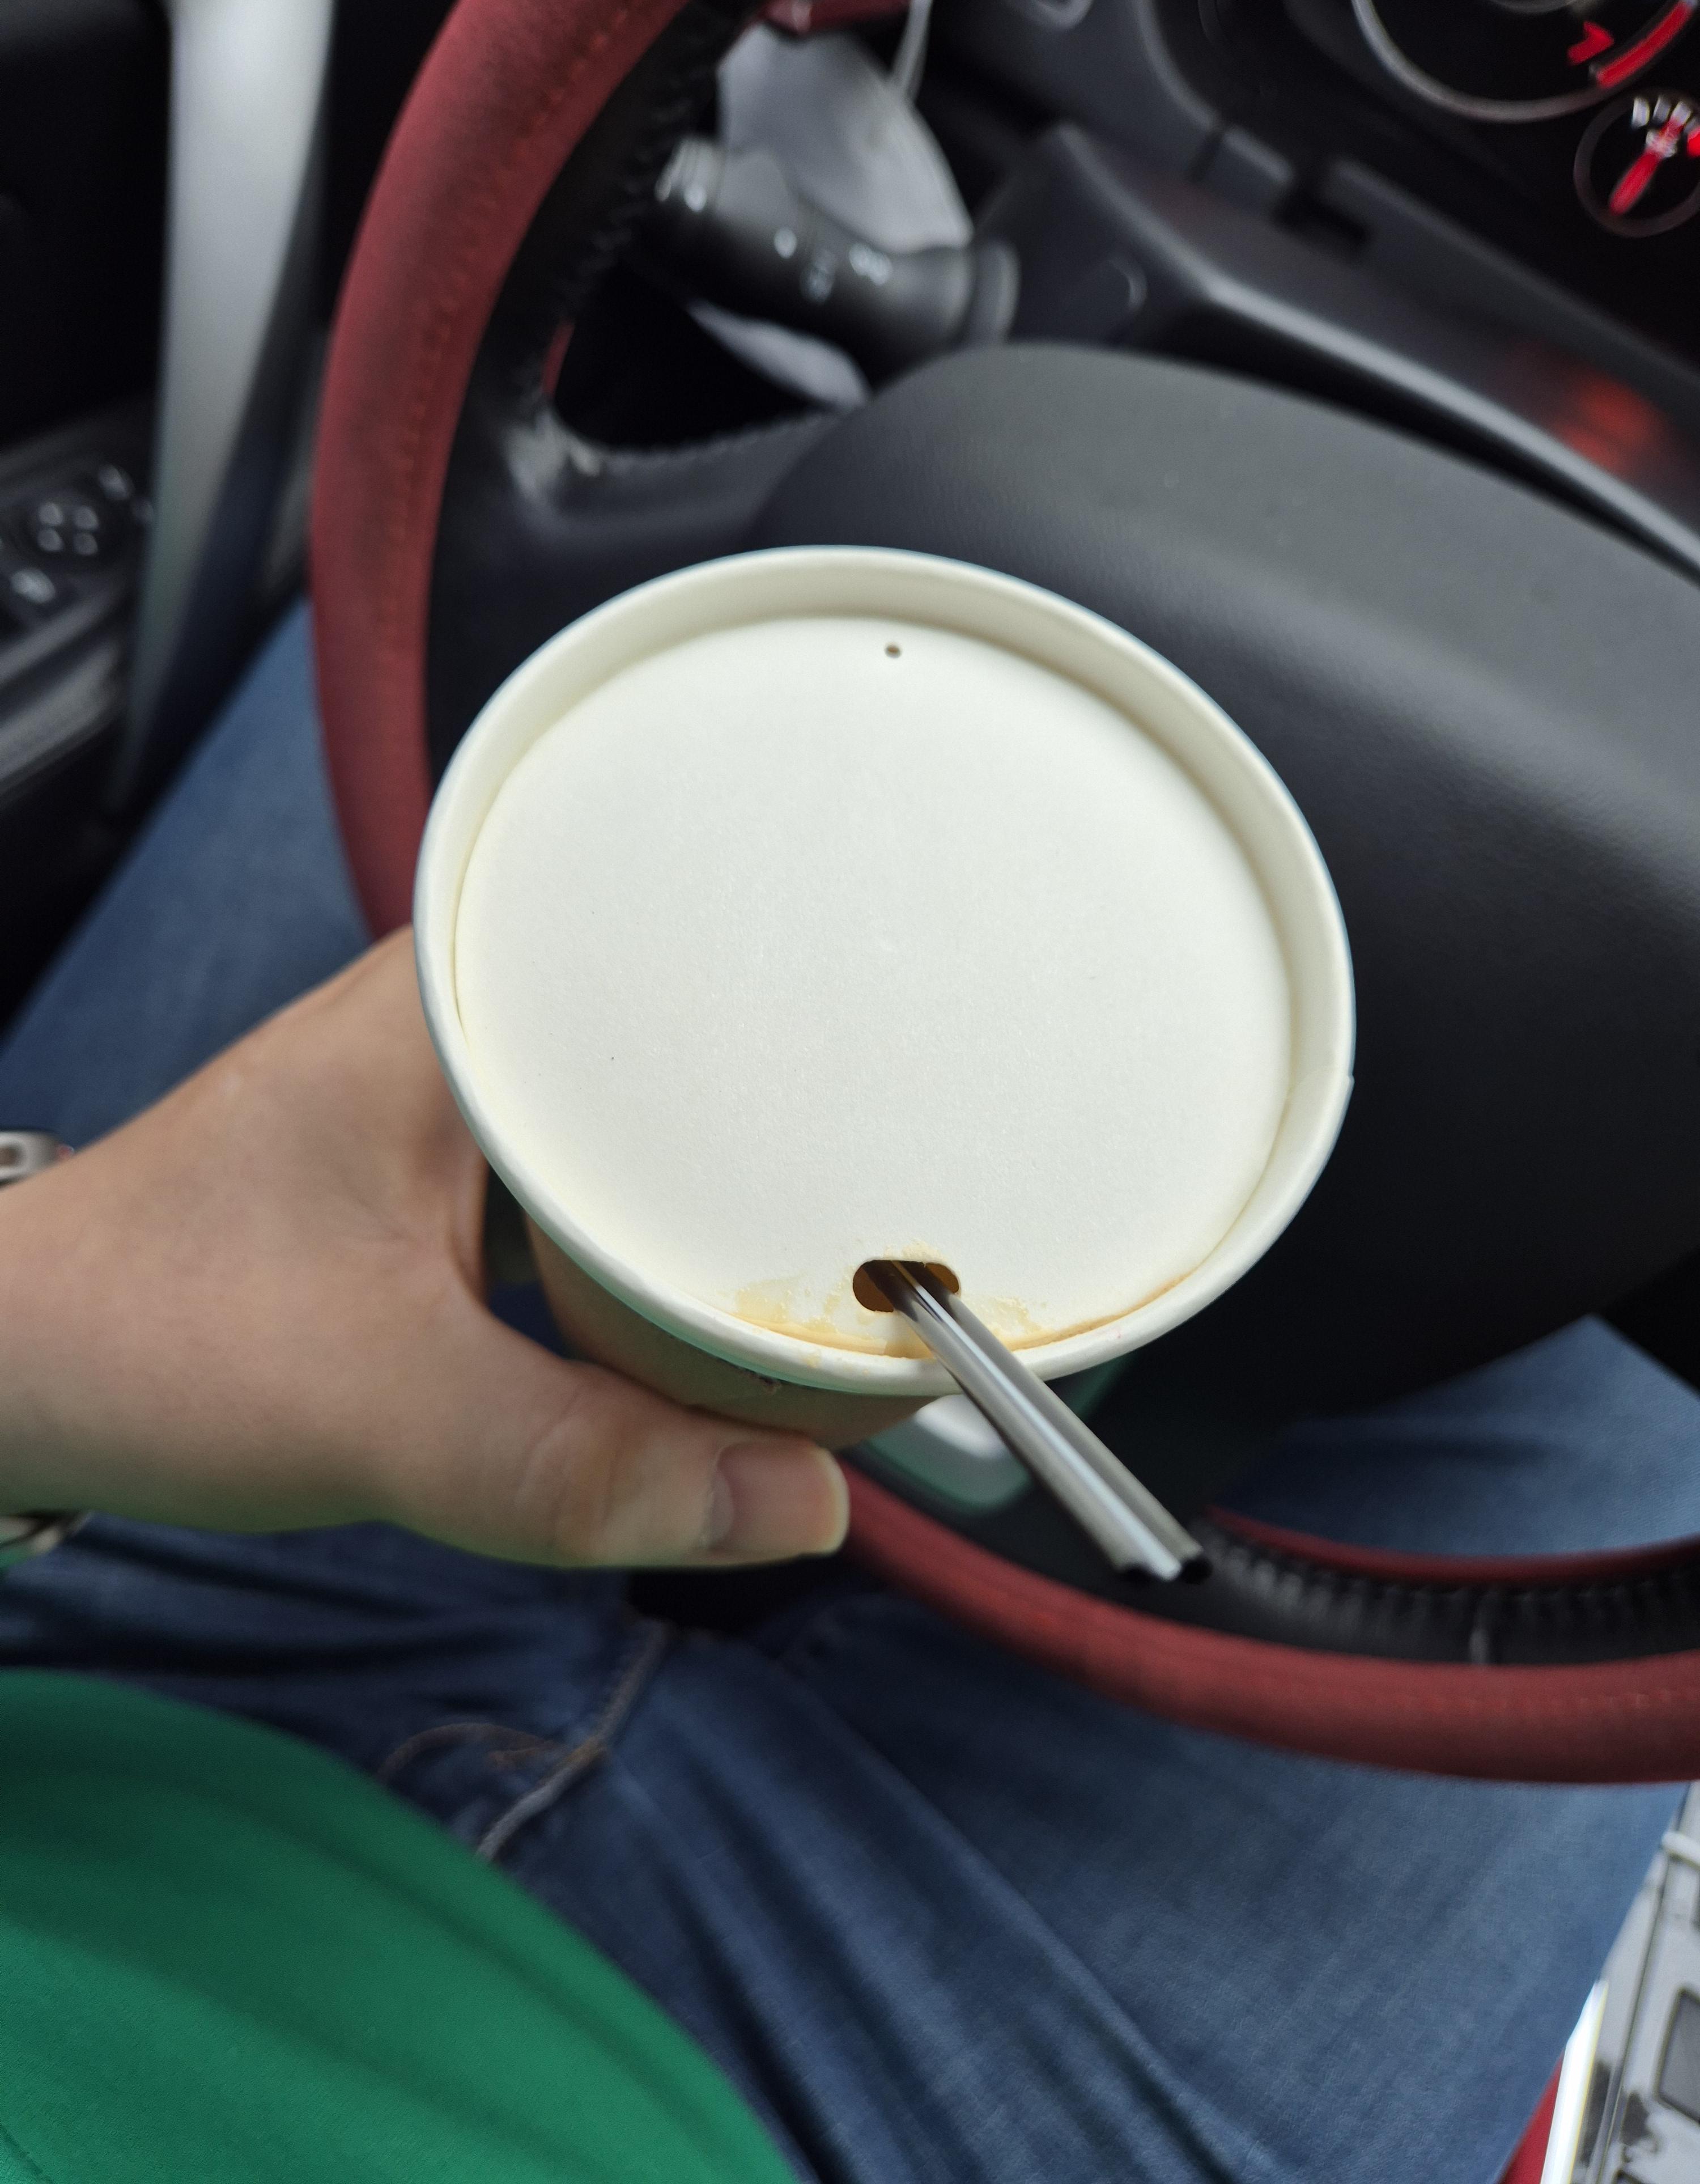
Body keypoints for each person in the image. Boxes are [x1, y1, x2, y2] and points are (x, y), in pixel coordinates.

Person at [0, 602, 1692, 2183]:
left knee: (426, 628)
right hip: (916, 2115)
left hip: (66, 1717)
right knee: (1627, 1287)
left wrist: (37, 1338)